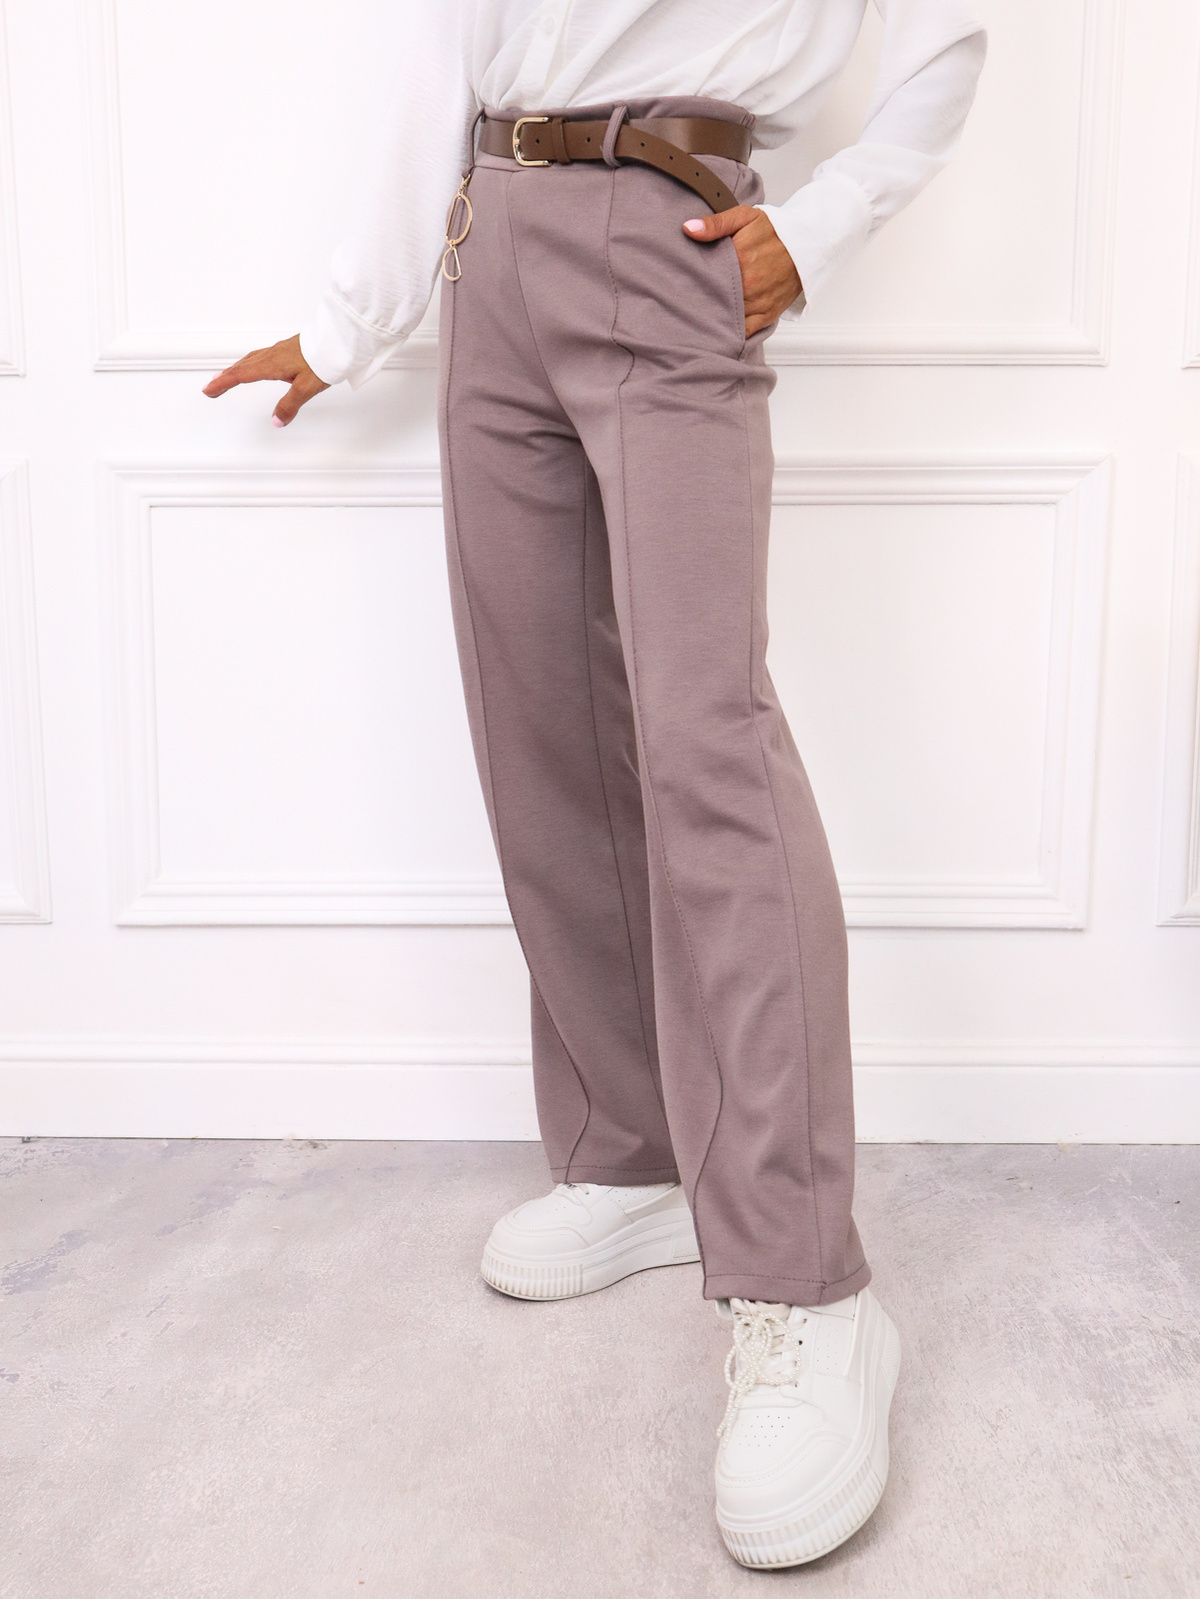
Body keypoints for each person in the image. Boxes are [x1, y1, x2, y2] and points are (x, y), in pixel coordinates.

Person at [204, 0, 987, 1569]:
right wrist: (353, 319)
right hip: (489, 233)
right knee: (540, 730)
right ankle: (632, 1153)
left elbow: (948, 35)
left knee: (708, 746)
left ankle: (807, 1285)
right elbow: (436, 43)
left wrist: (818, 228)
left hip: (672, 223)